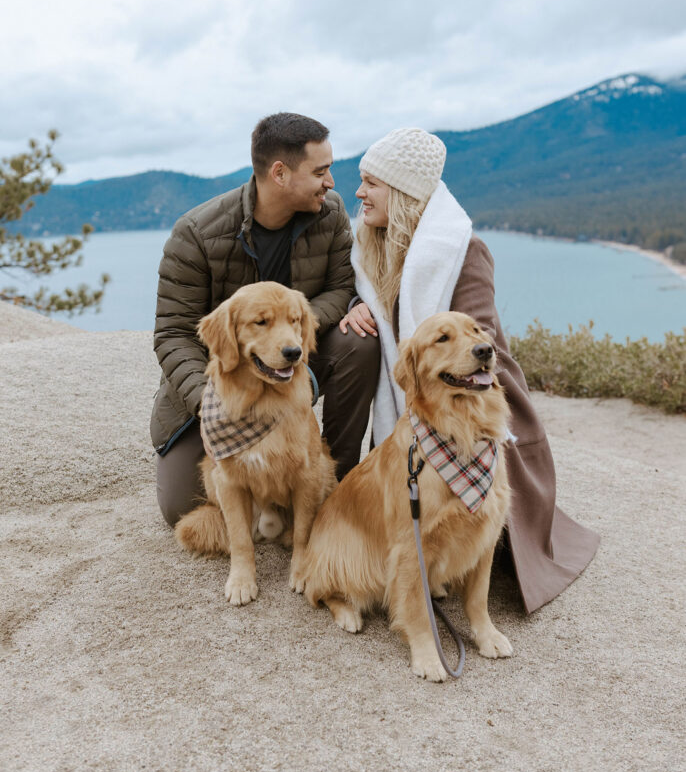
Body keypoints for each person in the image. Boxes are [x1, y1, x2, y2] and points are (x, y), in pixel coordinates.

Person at [339, 127, 599, 614]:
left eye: (371, 182)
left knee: (486, 524)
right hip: (428, 397)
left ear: (402, 192)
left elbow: (480, 343)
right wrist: (357, 304)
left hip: (474, 388)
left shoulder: (464, 250)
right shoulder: (375, 250)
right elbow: (391, 317)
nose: (359, 193)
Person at [151, 112, 379, 526]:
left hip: (296, 361)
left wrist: (296, 334)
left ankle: (335, 486)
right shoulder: (197, 234)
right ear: (279, 173)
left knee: (359, 341)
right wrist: (209, 402)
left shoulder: (330, 213)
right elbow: (172, 333)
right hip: (225, 381)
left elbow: (342, 289)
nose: (331, 183)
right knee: (182, 509)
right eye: (321, 171)